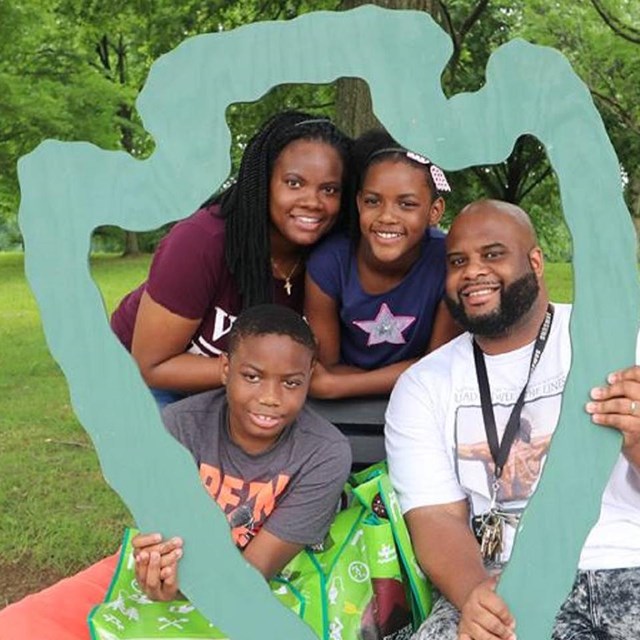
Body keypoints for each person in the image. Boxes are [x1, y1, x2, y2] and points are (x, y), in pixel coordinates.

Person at [0, 304, 352, 637]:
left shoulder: (324, 453)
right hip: (178, 574)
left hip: (271, 582)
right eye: (252, 376)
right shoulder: (177, 427)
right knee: (19, 625)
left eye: (291, 382)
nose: (271, 397)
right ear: (226, 368)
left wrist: (181, 591)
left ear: (309, 378)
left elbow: (253, 574)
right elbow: (167, 541)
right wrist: (159, 570)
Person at [384, 199, 640, 640]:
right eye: (458, 261)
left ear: (536, 261)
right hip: (507, 583)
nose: (473, 272)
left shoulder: (618, 342)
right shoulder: (423, 385)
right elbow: (437, 518)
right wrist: (475, 597)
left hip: (626, 560)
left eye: (493, 254)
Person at [110, 111, 352, 406]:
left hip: (247, 389)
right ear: (263, 182)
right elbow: (153, 366)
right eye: (294, 183)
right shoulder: (200, 241)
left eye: (329, 189)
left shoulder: (333, 256)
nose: (313, 202)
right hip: (144, 379)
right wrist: (266, 371)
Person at [304, 130, 459, 399]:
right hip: (345, 412)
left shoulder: (446, 262)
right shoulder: (329, 264)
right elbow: (326, 366)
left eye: (407, 204)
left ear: (434, 211)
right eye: (373, 201)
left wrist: (341, 386)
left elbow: (437, 367)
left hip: (422, 404)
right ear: (358, 203)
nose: (387, 216)